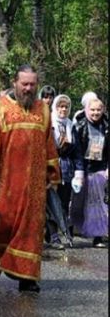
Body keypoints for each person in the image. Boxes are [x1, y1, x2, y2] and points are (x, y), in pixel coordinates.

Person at [0, 65, 60, 292]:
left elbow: (48, 143)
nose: (28, 88)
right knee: (2, 219)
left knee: (32, 228)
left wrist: (52, 172)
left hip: (34, 182)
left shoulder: (43, 109)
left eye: (32, 84)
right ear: (15, 82)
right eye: (24, 84)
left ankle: (28, 277)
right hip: (6, 179)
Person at [71, 97, 109, 248]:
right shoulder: (79, 126)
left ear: (103, 110)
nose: (95, 113)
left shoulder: (106, 126)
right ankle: (71, 232)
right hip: (83, 168)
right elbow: (77, 151)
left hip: (100, 168)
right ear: (87, 110)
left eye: (98, 110)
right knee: (78, 203)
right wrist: (79, 171)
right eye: (92, 110)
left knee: (98, 204)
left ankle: (98, 236)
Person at [49, 94, 77, 248]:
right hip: (52, 166)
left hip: (67, 168)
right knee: (53, 201)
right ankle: (54, 236)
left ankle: (66, 233)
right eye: (61, 106)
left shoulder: (71, 125)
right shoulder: (50, 123)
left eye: (66, 107)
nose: (64, 110)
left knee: (65, 202)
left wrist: (78, 171)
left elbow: (76, 150)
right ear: (55, 107)